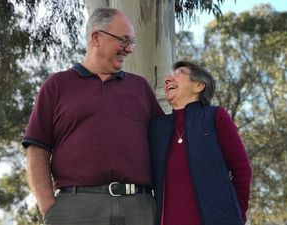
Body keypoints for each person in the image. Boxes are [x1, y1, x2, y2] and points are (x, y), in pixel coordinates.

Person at [22, 7, 164, 225]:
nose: (128, 49)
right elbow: (37, 149)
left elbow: (165, 146)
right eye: (124, 40)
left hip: (139, 208)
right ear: (96, 37)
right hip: (75, 209)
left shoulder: (140, 87)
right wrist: (48, 206)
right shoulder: (57, 85)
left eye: (131, 43)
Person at [149, 60, 252, 225]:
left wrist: (234, 215)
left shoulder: (215, 117)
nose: (168, 79)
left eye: (179, 73)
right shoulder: (157, 128)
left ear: (198, 86)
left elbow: (242, 171)